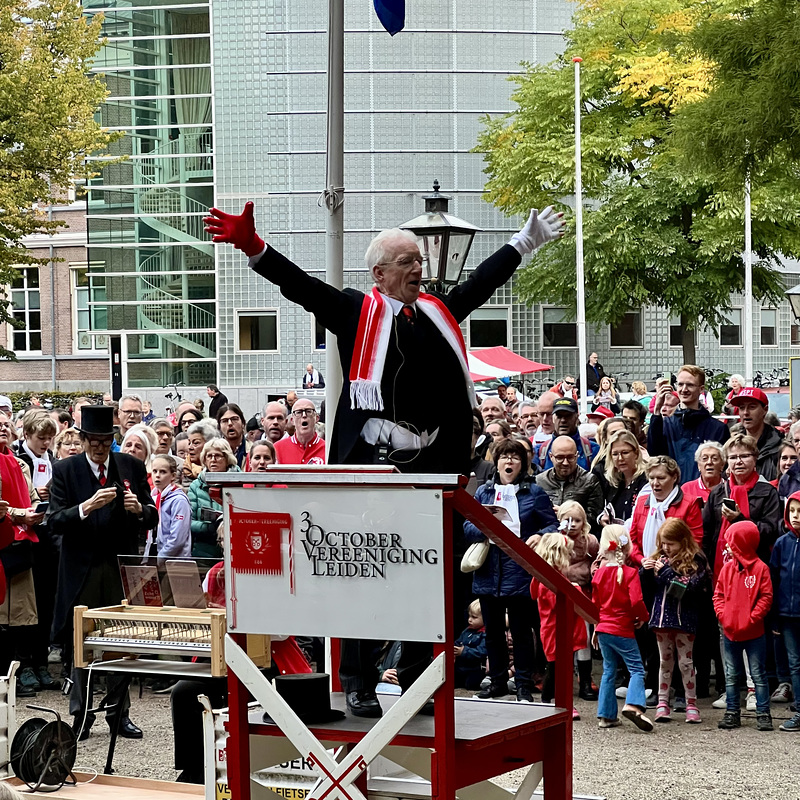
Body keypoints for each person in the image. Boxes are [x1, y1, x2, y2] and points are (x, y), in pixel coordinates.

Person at [48, 405, 156, 740]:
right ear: (82, 440)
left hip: (119, 565)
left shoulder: (131, 466)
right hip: (82, 569)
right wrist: (86, 507)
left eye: (105, 440)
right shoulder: (66, 470)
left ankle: (118, 713)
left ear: (113, 439)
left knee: (121, 639)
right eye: (93, 441)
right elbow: (54, 521)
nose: (99, 447)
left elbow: (153, 515)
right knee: (82, 641)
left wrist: (140, 509)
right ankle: (81, 714)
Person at [464, 438, 558, 703]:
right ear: (496, 460)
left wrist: (540, 535)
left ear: (523, 463)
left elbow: (552, 525)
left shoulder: (534, 492)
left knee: (521, 632)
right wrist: (486, 525)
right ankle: (496, 681)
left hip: (520, 570)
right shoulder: (484, 492)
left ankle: (523, 685)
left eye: (515, 457)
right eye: (504, 456)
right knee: (493, 631)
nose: (509, 461)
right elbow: (467, 529)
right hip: (489, 569)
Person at [640, 518, 708, 724]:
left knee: (686, 663)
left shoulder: (696, 561)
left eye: (671, 543)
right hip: (661, 620)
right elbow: (647, 590)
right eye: (663, 543)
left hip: (683, 620)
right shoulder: (659, 559)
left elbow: (686, 590)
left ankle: (691, 704)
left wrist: (665, 572)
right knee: (664, 662)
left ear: (683, 541)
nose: (666, 548)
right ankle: (662, 703)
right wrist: (645, 571)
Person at [10, 411, 59, 694]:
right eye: (41, 437)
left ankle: (41, 662)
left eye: (50, 438)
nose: (46, 443)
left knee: (46, 602)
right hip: (24, 539)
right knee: (26, 606)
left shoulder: (53, 460)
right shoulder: (19, 461)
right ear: (27, 435)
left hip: (48, 537)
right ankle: (25, 663)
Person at [0, 411, 45, 698]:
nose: (2, 428)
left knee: (18, 616)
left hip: (19, 546)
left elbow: (32, 497)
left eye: (6, 424)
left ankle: (17, 672)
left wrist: (38, 509)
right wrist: (20, 515)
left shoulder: (19, 464)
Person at [713, 521, 774, 731]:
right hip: (730, 631)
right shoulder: (727, 569)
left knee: (758, 674)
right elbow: (718, 595)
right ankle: (732, 712)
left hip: (754, 632)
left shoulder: (760, 569)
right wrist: (723, 616)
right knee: (731, 675)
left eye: (731, 542)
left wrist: (752, 618)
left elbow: (766, 597)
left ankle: (763, 713)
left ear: (742, 543)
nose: (728, 547)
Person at [592, 525, 653, 731]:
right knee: (636, 667)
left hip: (603, 628)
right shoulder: (630, 573)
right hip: (622, 628)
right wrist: (643, 617)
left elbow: (595, 605)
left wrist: (595, 628)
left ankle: (605, 716)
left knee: (608, 670)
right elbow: (636, 601)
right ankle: (633, 705)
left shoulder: (598, 574)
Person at [702, 433, 782, 585]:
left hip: (756, 568)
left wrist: (739, 520)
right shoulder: (717, 493)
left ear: (755, 459)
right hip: (719, 567)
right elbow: (706, 533)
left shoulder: (768, 492)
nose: (738, 462)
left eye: (744, 456)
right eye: (733, 457)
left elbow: (771, 531)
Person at [530, 533, 588, 719]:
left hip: (558, 630)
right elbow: (557, 601)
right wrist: (575, 589)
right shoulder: (549, 579)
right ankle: (554, 701)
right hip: (556, 631)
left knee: (558, 668)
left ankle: (552, 701)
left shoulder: (547, 576)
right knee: (557, 669)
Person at [647, 365, 729, 482]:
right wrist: (656, 412)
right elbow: (655, 454)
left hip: (704, 495)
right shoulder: (666, 425)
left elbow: (722, 467)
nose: (684, 389)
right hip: (674, 494)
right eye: (680, 384)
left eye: (690, 385)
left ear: (701, 389)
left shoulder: (718, 429)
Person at [629, 456, 703, 566]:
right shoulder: (641, 502)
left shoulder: (690, 504)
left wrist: (669, 563)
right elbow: (632, 540)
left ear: (674, 478)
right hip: (644, 569)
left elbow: (695, 542)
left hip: (678, 570)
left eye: (661, 478)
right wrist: (641, 559)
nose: (655, 483)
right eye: (651, 478)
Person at [770, 493, 800, 731]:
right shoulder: (782, 543)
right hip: (787, 615)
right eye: (792, 511)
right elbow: (774, 579)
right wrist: (774, 615)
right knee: (795, 664)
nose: (796, 516)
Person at [535, 436, 603, 530]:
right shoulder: (539, 481)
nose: (565, 463)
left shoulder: (589, 481)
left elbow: (594, 519)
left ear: (577, 456)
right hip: (547, 537)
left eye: (570, 457)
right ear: (551, 457)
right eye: (560, 458)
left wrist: (568, 514)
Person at [188, 438, 241, 559]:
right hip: (204, 549)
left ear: (227, 459)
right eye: (209, 456)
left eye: (217, 456)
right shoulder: (196, 486)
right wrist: (209, 527)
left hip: (235, 546)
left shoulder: (240, 482)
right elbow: (189, 522)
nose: (213, 460)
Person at [729, 387, 782, 481]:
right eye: (742, 408)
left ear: (765, 410)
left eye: (752, 407)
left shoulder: (779, 446)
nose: (745, 412)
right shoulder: (731, 446)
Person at [535, 398, 599, 471]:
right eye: (559, 416)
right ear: (553, 418)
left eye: (568, 416)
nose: (563, 420)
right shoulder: (539, 452)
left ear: (577, 417)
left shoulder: (593, 450)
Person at [600, 430, 648, 525]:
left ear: (636, 453)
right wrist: (601, 516)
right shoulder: (611, 481)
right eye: (615, 454)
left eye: (625, 453)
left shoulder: (647, 480)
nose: (620, 458)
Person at [150, 455, 191, 558]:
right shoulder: (153, 496)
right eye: (155, 471)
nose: (157, 475)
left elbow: (177, 538)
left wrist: (161, 557)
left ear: (173, 476)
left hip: (176, 561)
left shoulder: (179, 500)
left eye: (163, 472)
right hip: (155, 553)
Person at [274, 399, 325, 465]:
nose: (304, 415)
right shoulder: (277, 448)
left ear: (317, 418)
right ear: (292, 420)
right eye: (298, 412)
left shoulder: (327, 449)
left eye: (309, 411)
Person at [453, 600, 487, 690]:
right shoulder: (467, 631)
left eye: (474, 617)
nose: (469, 620)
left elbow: (482, 652)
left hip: (476, 669)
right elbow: (458, 642)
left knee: (471, 685)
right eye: (469, 616)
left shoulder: (485, 634)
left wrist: (463, 651)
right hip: (461, 667)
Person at [681, 441, 725, 507]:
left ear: (722, 465)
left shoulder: (730, 488)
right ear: (699, 465)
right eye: (705, 458)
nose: (709, 462)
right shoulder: (686, 489)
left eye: (714, 459)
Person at [181, 419, 218, 488]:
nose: (190, 447)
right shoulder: (183, 470)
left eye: (196, 443)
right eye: (189, 443)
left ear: (209, 444)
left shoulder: (218, 470)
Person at [216, 403, 249, 469]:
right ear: (219, 427)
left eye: (234, 419)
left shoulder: (253, 451)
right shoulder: (213, 453)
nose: (230, 423)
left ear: (243, 423)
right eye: (224, 421)